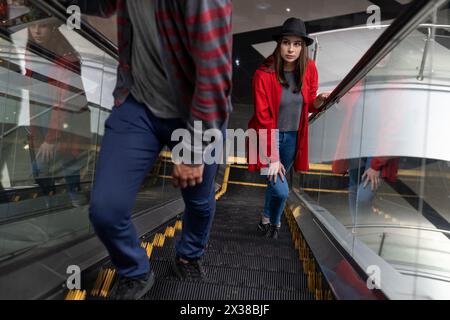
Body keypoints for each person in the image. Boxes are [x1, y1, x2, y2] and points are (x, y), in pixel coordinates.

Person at [59, 0, 233, 300]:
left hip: (193, 113)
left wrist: (193, 152)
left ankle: (189, 255)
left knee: (200, 201)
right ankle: (136, 271)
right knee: (106, 210)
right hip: (138, 104)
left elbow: (215, 76)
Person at [247, 18, 329, 239]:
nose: (291, 49)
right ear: (279, 44)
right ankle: (275, 222)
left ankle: (265, 220)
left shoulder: (309, 69)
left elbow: (309, 104)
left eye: (297, 44)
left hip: (293, 139)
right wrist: (272, 156)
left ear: (303, 47)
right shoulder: (263, 75)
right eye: (286, 42)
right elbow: (263, 118)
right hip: (265, 138)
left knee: (274, 183)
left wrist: (320, 101)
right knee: (281, 189)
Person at [25, 13, 91, 209]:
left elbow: (64, 101)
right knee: (62, 164)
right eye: (32, 25)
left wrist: (52, 138)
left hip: (63, 120)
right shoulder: (32, 51)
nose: (36, 31)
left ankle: (72, 201)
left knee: (49, 166)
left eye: (42, 26)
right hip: (43, 118)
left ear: (52, 27)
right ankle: (58, 201)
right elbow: (31, 92)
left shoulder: (66, 56)